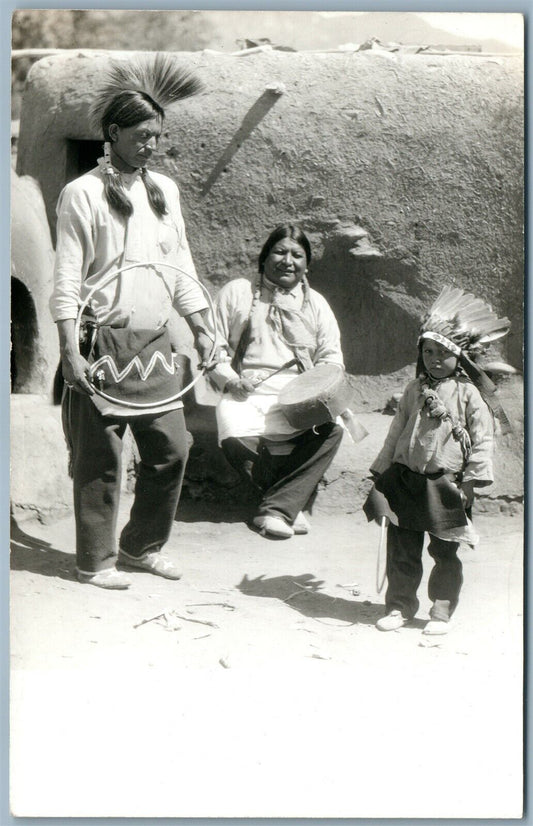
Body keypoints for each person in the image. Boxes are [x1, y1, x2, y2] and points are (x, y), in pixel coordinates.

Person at [50, 54, 213, 589]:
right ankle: (95, 561)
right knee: (100, 457)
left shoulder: (164, 191)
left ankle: (142, 544)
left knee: (173, 448)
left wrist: (203, 324)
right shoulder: (82, 194)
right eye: (142, 135)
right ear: (113, 132)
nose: (152, 145)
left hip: (156, 345)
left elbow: (181, 265)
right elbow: (69, 279)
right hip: (101, 343)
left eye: (158, 136)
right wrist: (70, 351)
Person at [363, 285, 511, 634]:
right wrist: (382, 472)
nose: (433, 358)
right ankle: (399, 607)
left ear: (460, 356)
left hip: (447, 486)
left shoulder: (469, 394)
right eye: (427, 351)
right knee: (402, 549)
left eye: (442, 352)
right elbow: (396, 433)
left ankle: (440, 612)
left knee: (445, 553)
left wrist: (471, 485)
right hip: (405, 481)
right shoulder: (414, 391)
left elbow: (483, 441)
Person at [207, 224, 345, 538]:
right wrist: (231, 381)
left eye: (297, 255)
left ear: (306, 265)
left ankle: (275, 510)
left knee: (331, 430)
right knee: (232, 429)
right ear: (264, 257)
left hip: (299, 392)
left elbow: (331, 357)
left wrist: (316, 390)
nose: (287, 261)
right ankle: (287, 505)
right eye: (280, 252)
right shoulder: (239, 292)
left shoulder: (316, 303)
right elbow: (213, 347)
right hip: (248, 389)